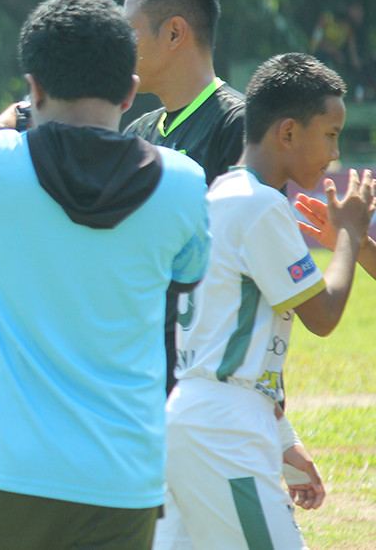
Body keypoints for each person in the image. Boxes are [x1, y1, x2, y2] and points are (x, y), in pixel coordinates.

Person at [0, 0, 210, 549]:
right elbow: (189, 275)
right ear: (130, 90)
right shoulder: (183, 181)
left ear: (33, 88)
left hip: (8, 469)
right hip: (125, 473)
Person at [154, 53, 375, 550]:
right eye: (330, 134)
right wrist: (347, 234)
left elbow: (231, 344)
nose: (335, 153)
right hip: (224, 433)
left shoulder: (222, 194)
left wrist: (281, 440)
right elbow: (323, 315)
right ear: (288, 132)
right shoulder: (260, 205)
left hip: (192, 416)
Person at [120, 0, 246, 396]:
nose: (120, 44)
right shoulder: (137, 132)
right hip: (143, 363)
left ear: (174, 32)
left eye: (129, 30)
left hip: (211, 374)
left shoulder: (239, 125)